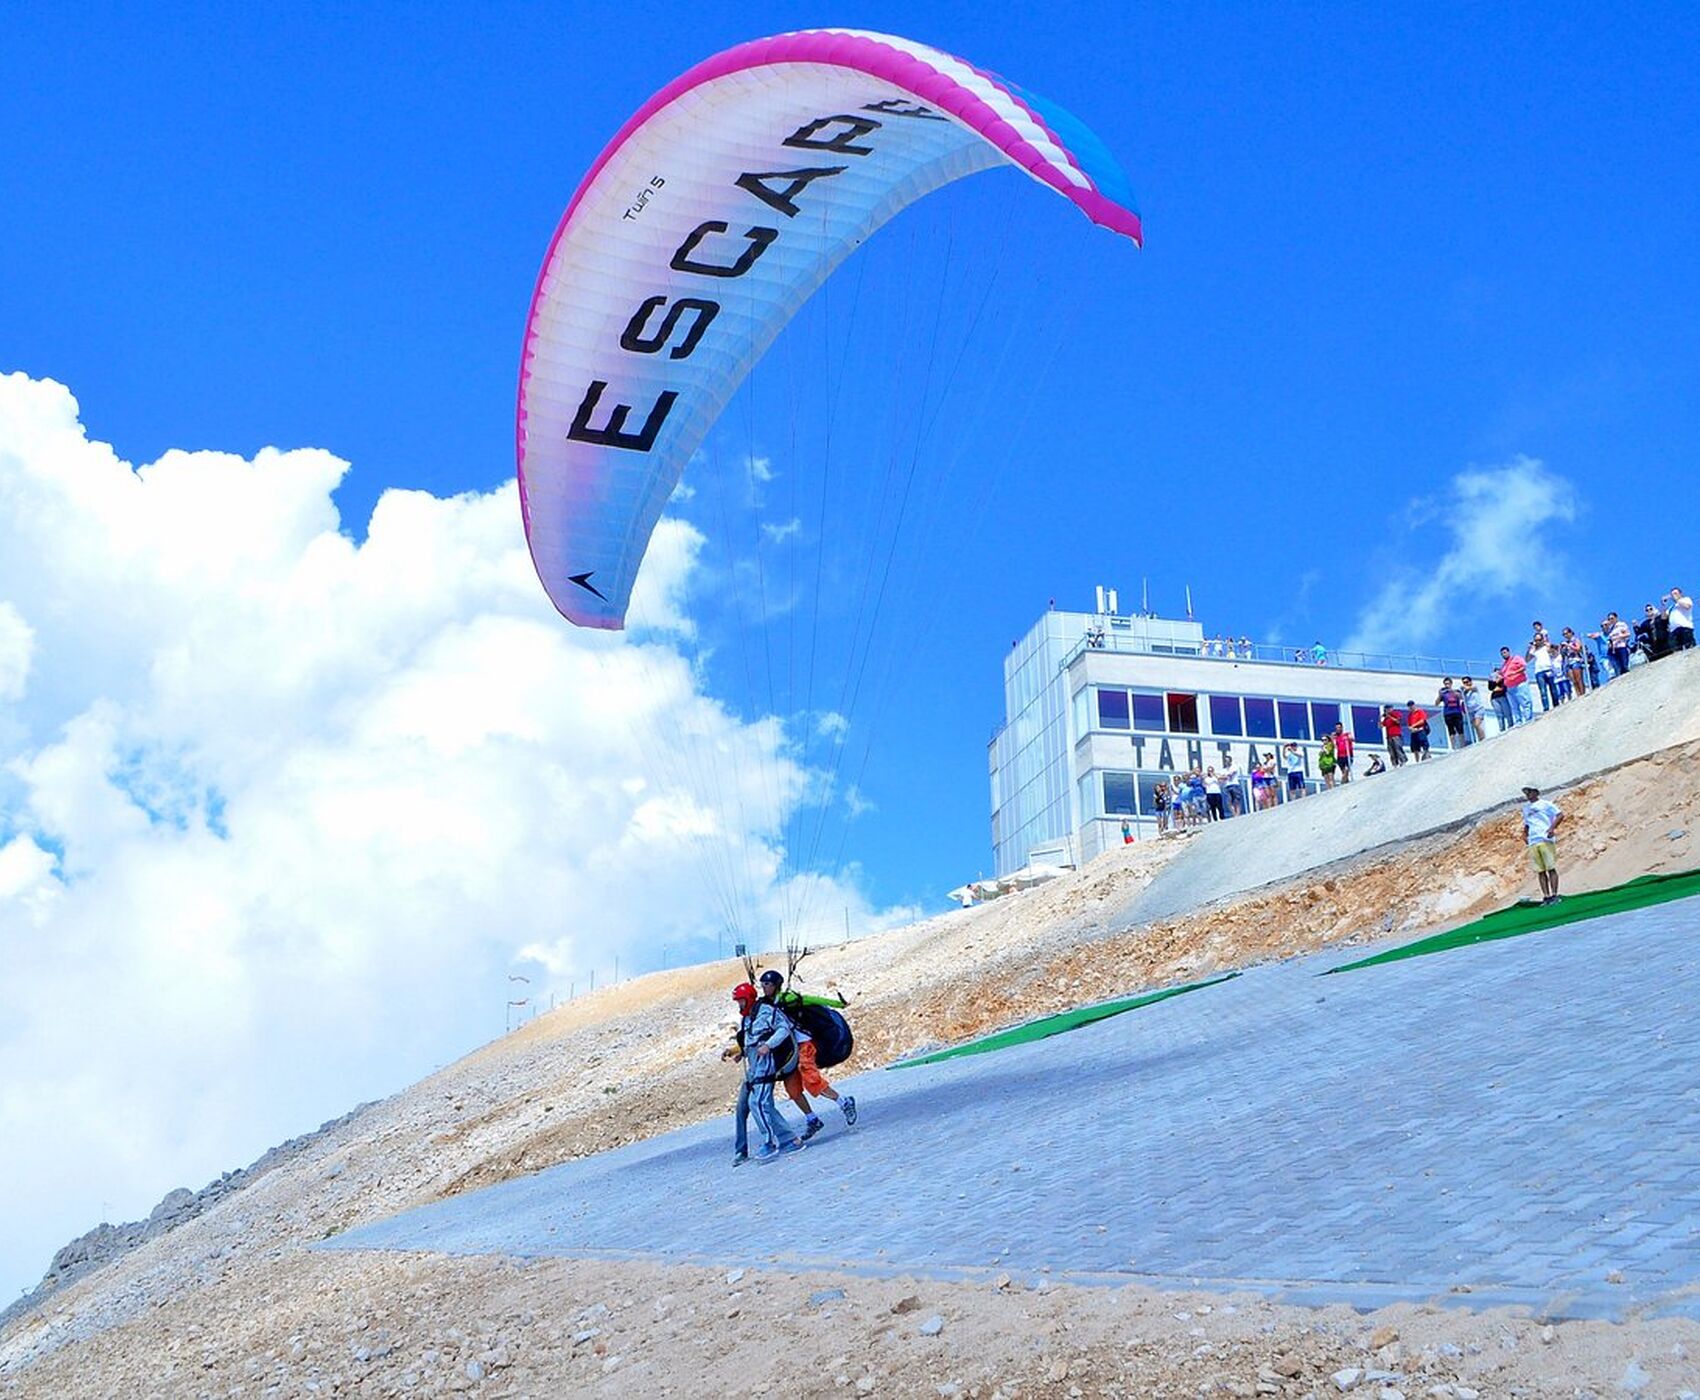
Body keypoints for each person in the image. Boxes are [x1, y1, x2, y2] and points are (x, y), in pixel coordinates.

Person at [764, 970, 858, 1135]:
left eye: (767, 984)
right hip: (788, 1049)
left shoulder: (788, 999)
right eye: (763, 984)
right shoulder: (766, 1005)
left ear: (776, 986)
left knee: (811, 1080)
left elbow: (811, 1000)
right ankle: (812, 1119)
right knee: (792, 1089)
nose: (764, 988)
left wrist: (838, 1004)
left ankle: (844, 1102)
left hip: (804, 1045)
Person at [726, 981, 804, 1165]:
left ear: (749, 999)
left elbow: (783, 1029)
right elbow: (751, 1040)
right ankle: (789, 1140)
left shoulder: (766, 1011)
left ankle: (769, 1143)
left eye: (741, 1001)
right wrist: (741, 1053)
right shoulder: (747, 1019)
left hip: (765, 1062)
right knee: (762, 1104)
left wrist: (769, 1045)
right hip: (753, 1064)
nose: (739, 1005)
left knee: (757, 1102)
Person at [1519, 784, 1564, 905]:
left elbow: (1560, 815)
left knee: (1550, 868)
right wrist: (1525, 834)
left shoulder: (1546, 804)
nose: (1528, 795)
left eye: (1529, 792)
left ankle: (1554, 894)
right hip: (1533, 840)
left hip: (1544, 838)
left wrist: (1551, 828)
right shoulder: (1526, 809)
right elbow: (1528, 823)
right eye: (1526, 793)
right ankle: (1546, 896)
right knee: (1540, 870)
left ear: (1536, 792)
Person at [1499, 646, 1534, 724]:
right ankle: (1518, 721)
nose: (1503, 655)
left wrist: (1514, 673)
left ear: (1508, 652)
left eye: (1504, 652)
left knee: (1525, 702)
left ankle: (1528, 719)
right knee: (1514, 706)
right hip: (1509, 688)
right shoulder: (1504, 665)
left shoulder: (1516, 658)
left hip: (1519, 684)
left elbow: (1524, 666)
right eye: (1502, 654)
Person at [1435, 678, 1467, 748]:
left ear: (1451, 684)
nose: (1447, 685)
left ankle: (1462, 745)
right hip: (1448, 713)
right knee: (1451, 730)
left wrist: (1452, 691)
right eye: (1445, 684)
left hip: (1457, 712)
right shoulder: (1443, 693)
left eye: (1448, 683)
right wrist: (1439, 695)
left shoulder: (1456, 691)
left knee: (1460, 729)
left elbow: (1461, 697)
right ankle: (1454, 747)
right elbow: (1436, 703)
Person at [1462, 676, 1488, 742]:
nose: (1465, 684)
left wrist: (1464, 688)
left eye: (1467, 682)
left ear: (1470, 682)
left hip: (1478, 709)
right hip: (1470, 711)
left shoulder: (1474, 687)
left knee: (1477, 724)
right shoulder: (1464, 692)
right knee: (1475, 726)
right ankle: (1480, 738)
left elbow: (1470, 688)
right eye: (1464, 682)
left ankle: (1482, 738)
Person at [1671, 586, 1695, 652]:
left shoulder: (1686, 599)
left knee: (1690, 649)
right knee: (1676, 652)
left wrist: (1677, 600)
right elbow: (1664, 617)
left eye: (1675, 593)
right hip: (1674, 631)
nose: (1673, 596)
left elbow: (1687, 606)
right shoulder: (1672, 607)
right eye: (1672, 594)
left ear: (1680, 594)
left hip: (1685, 628)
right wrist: (1663, 605)